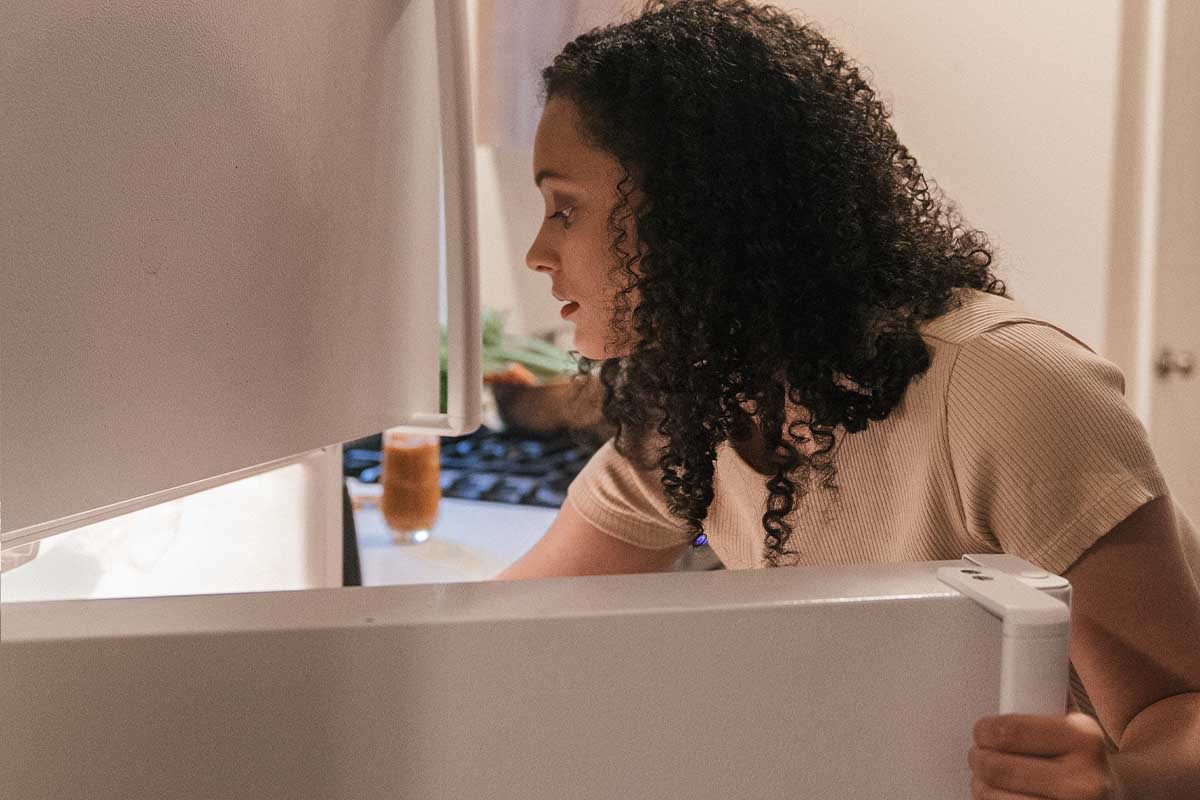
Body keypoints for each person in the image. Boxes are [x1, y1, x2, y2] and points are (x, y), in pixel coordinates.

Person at [494, 1, 1200, 796]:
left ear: (697, 212)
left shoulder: (1010, 388)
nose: (538, 253)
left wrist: (1122, 782)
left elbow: (1181, 712)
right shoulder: (698, 401)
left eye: (565, 209)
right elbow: (510, 626)